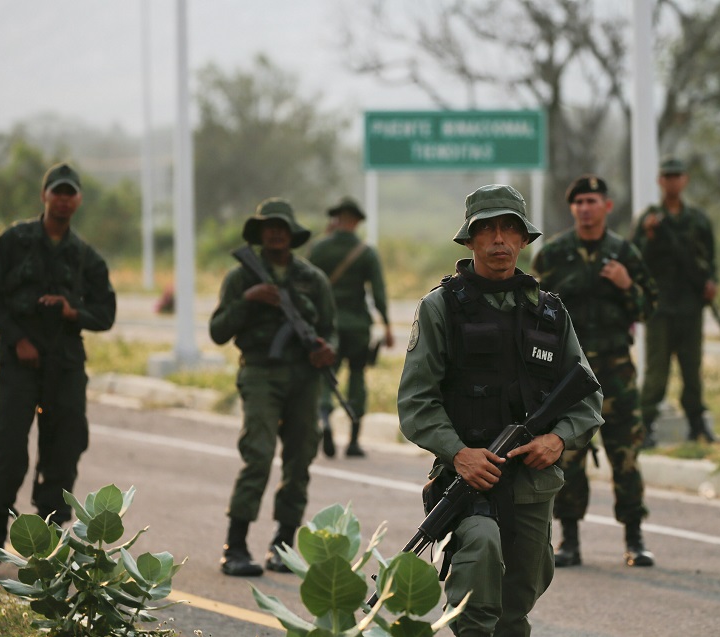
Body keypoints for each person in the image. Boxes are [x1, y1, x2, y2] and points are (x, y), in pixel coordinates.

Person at [398, 184, 603, 637]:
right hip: (470, 479)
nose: (498, 241)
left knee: (517, 603)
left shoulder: (549, 312)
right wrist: (458, 454)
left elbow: (587, 396)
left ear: (524, 240)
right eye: (486, 230)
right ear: (469, 240)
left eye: (509, 230)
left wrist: (557, 439)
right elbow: (417, 401)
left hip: (531, 483)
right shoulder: (442, 308)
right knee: (479, 570)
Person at [0, 162, 117, 577]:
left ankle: (47, 549)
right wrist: (18, 339)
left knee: (64, 449)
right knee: (9, 448)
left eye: (71, 193)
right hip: (19, 363)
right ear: (44, 196)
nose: (64, 199)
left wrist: (75, 311)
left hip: (65, 366)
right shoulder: (14, 241)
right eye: (58, 192)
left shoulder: (86, 256)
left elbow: (106, 312)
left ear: (79, 200)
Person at [532, 175, 658, 568]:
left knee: (626, 456)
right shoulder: (553, 254)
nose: (585, 207)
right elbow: (533, 310)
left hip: (617, 373)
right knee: (568, 456)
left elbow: (648, 308)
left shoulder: (624, 252)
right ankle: (569, 541)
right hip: (568, 376)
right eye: (579, 201)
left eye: (592, 201)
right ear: (572, 208)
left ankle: (634, 540)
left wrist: (626, 285)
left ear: (607, 206)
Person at [209, 198, 337, 576]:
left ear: (292, 234)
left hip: (304, 378)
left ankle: (282, 544)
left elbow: (331, 331)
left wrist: (327, 351)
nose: (276, 233)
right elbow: (218, 331)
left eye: (282, 227)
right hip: (261, 373)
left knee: (300, 459)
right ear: (260, 233)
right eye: (269, 227)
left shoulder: (313, 279)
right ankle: (235, 546)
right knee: (260, 455)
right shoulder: (241, 276)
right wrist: (247, 301)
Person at [631, 157, 719, 445]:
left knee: (692, 370)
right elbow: (636, 259)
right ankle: (644, 427)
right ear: (660, 181)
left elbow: (711, 259)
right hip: (660, 307)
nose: (672, 181)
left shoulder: (697, 219)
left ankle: (697, 425)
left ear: (685, 180)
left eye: (677, 176)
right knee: (657, 373)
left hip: (690, 307)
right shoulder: (649, 220)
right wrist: (651, 235)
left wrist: (711, 284)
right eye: (667, 176)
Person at [308, 197, 394, 458]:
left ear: (336, 219)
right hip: (357, 326)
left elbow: (305, 286)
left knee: (326, 376)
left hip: (326, 326)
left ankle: (325, 421)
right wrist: (387, 326)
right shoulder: (366, 252)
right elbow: (378, 293)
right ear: (356, 221)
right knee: (357, 377)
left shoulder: (319, 249)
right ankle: (354, 441)